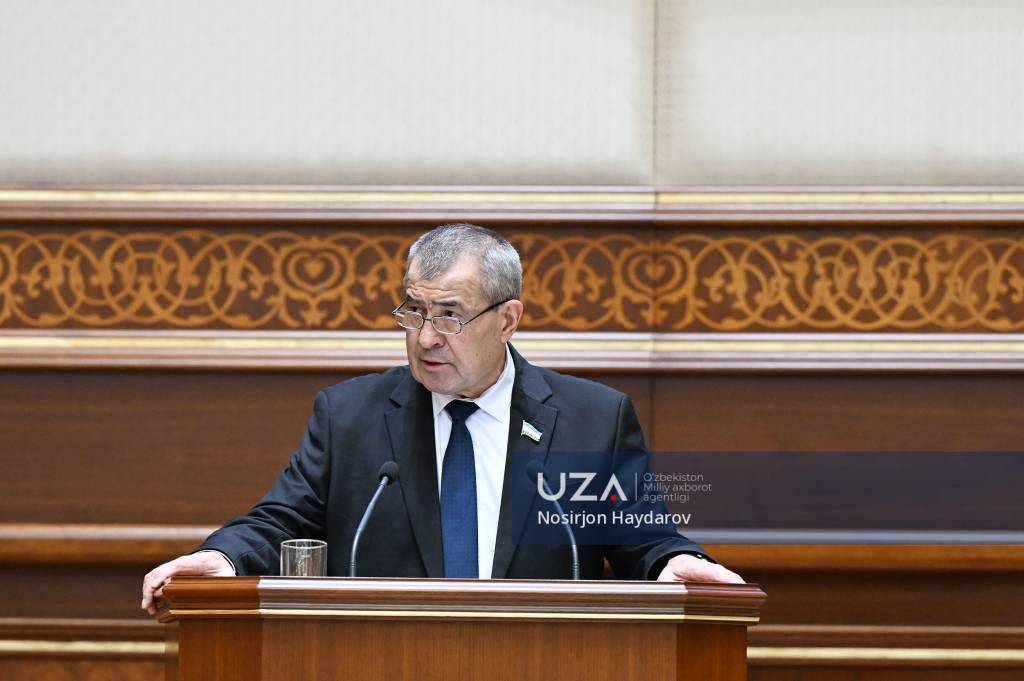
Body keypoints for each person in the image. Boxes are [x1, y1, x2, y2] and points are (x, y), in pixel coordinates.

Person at [141, 223, 741, 614]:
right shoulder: (350, 416)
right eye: (414, 311)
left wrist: (673, 561)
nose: (426, 337)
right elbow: (283, 519)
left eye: (450, 315)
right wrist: (223, 558)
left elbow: (641, 535)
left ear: (507, 320)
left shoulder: (592, 419)